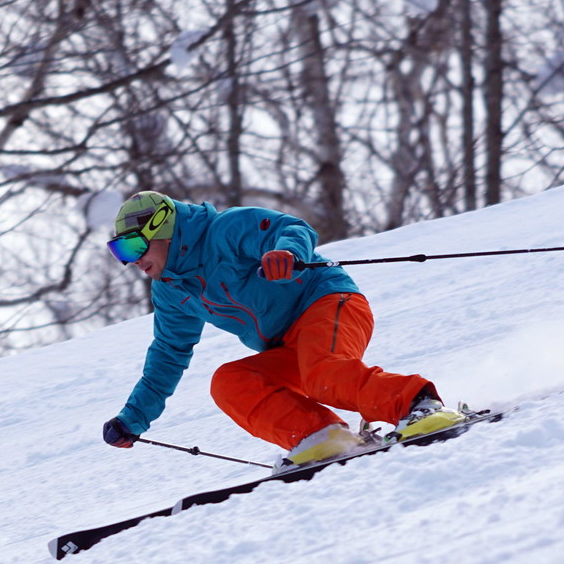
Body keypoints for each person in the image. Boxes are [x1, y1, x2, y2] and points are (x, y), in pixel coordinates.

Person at [100, 191, 464, 468]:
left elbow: (291, 228)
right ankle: (323, 435)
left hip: (327, 303)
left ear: (161, 228)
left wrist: (285, 253)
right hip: (287, 344)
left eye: (133, 246)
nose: (132, 262)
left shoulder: (223, 231)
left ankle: (420, 404)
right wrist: (133, 419)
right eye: (120, 253)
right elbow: (167, 355)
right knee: (230, 382)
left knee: (325, 375)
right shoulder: (171, 290)